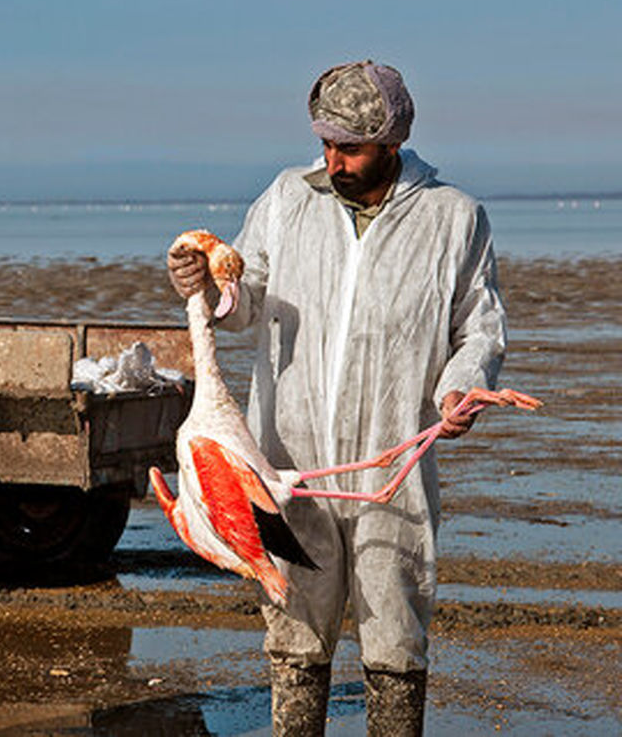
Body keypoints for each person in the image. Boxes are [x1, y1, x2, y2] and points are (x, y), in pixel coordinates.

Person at [167, 60, 506, 736]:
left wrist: (462, 388)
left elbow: (479, 328)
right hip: (289, 469)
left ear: (390, 141)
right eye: (325, 144)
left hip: (392, 472)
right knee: (295, 632)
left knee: (395, 636)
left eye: (348, 148)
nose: (333, 161)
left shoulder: (452, 218)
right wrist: (205, 283)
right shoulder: (288, 199)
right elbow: (246, 295)